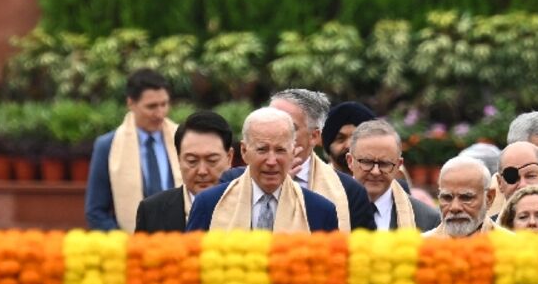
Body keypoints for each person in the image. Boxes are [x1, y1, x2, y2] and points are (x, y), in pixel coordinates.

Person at [217, 89, 375, 231]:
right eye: (269, 122)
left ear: (314, 136)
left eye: (289, 127)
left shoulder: (349, 191)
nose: (275, 132)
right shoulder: (230, 184)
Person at [186, 108, 338, 232]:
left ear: (293, 153)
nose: (271, 161)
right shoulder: (209, 204)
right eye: (262, 150)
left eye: (280, 150)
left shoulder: (319, 211)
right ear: (244, 151)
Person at [85, 69, 180, 232]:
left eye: (164, 104)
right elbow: (95, 211)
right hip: (132, 247)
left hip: (182, 242)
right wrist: (125, 244)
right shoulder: (108, 146)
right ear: (131, 103)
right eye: (151, 106)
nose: (160, 113)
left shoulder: (183, 140)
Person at [135, 110, 235, 233]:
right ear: (178, 159)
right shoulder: (151, 211)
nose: (202, 171)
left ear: (229, 157)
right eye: (192, 161)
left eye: (211, 160)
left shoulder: (252, 205)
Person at [346, 119, 441, 231]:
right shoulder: (328, 208)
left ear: (398, 165)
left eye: (385, 164)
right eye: (367, 162)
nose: (375, 171)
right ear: (350, 161)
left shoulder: (426, 219)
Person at [424, 155, 509, 238]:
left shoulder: (511, 247)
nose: (455, 207)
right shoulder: (420, 247)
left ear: (489, 198)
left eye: (466, 198)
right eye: (447, 198)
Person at [322, 101, 376, 173]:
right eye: (340, 138)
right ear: (328, 146)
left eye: (357, 137)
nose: (349, 145)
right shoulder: (315, 182)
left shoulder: (389, 183)